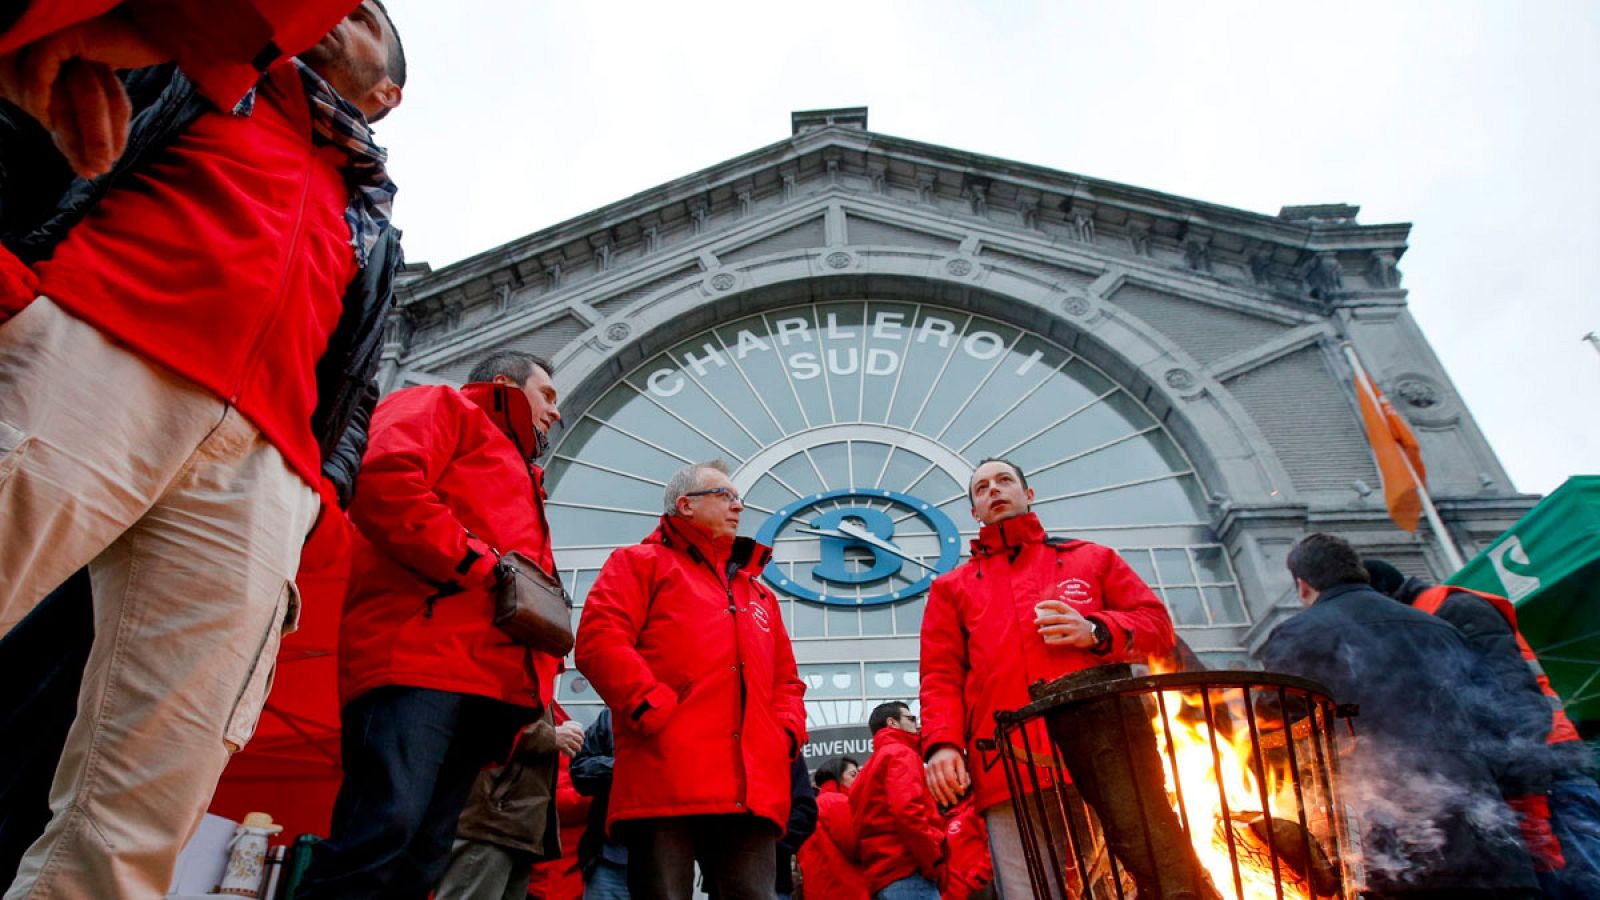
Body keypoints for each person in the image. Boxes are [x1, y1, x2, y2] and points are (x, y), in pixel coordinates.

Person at [0, 3, 404, 894]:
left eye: (368, 13)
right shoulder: (190, 77)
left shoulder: (372, 227)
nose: (345, 6)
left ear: (388, 94)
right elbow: (25, 117)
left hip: (263, 468)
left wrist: (318, 496)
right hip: (98, 350)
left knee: (153, 788)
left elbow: (359, 379)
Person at [298, 350, 565, 898]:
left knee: (424, 855)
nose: (555, 413)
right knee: (380, 832)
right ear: (503, 385)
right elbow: (384, 480)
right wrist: (478, 562)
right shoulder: (439, 405)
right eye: (547, 395)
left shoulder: (522, 472)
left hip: (485, 682)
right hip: (417, 662)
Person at [919, 457, 1176, 897]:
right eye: (981, 489)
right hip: (1005, 763)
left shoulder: (1093, 559)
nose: (994, 490)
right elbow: (940, 675)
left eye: (1004, 481)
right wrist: (942, 744)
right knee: (1028, 891)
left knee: (1136, 881)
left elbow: (1157, 628)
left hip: (1105, 755)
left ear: (1028, 494)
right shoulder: (952, 588)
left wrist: (1095, 629)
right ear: (974, 512)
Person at [1256, 534, 1539, 898]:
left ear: (1303, 585)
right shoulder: (1438, 627)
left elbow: (1275, 724)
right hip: (1485, 830)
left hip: (1392, 833)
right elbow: (1495, 714)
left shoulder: (1297, 635)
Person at [575, 459, 807, 900]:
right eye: (726, 496)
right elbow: (599, 640)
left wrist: (784, 736)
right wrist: (652, 708)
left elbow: (787, 682)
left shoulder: (758, 593)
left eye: (739, 498)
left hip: (750, 788)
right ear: (685, 505)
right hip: (665, 776)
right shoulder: (638, 564)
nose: (739, 507)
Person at [1365, 558, 1600, 899]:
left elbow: (1517, 702)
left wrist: (1529, 794)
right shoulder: (1430, 620)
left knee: (1582, 883)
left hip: (1550, 777)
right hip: (1517, 779)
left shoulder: (1455, 611)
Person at [0, 1, 368, 178]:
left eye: (360, 20)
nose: (340, 21)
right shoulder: (211, 81)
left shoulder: (365, 204)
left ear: (390, 93)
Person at [436, 707, 587, 900]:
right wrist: (549, 736)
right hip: (491, 822)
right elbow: (479, 722)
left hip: (516, 827)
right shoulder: (506, 681)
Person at [851, 702, 946, 900]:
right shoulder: (901, 754)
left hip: (882, 875)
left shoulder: (865, 771)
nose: (917, 725)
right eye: (911, 719)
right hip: (909, 871)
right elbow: (908, 812)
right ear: (892, 722)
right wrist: (933, 861)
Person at [570, 708, 630, 899]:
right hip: (608, 858)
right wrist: (625, 766)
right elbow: (579, 769)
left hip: (664, 859)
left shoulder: (684, 718)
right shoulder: (610, 716)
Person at [799, 756, 868, 900]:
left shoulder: (816, 805)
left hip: (821, 889)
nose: (859, 779)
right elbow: (856, 845)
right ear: (837, 777)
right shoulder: (837, 801)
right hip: (846, 891)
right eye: (853, 774)